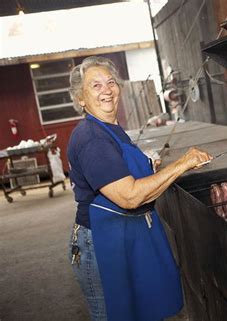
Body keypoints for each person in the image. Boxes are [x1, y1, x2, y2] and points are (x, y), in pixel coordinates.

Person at [67, 56, 212, 321]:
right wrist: (183, 163)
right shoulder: (91, 138)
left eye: (110, 82)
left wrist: (147, 167)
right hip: (101, 242)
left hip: (125, 233)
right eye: (95, 86)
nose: (107, 90)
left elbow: (120, 174)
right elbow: (130, 196)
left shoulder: (110, 128)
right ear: (81, 99)